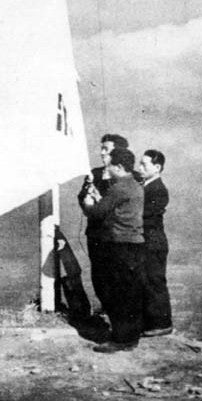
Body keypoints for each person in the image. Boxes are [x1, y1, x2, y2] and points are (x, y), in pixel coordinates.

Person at [81, 147, 145, 353]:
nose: (107, 170)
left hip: (119, 245)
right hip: (134, 245)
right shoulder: (134, 185)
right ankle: (130, 337)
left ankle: (120, 339)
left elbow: (96, 213)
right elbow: (116, 209)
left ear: (118, 167)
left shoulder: (119, 188)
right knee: (129, 293)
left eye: (110, 167)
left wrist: (88, 202)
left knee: (117, 294)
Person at [77, 134, 131, 313]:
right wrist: (87, 200)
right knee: (99, 274)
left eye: (106, 149)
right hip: (97, 234)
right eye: (101, 148)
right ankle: (107, 308)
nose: (101, 153)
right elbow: (82, 197)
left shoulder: (131, 177)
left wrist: (100, 201)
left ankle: (121, 312)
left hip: (119, 235)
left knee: (120, 274)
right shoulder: (95, 174)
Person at [138, 149, 172, 337]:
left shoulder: (158, 189)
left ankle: (162, 324)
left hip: (153, 242)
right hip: (147, 241)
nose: (140, 168)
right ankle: (150, 323)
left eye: (144, 164)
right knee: (146, 281)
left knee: (154, 282)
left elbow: (145, 215)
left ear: (157, 167)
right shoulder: (145, 186)